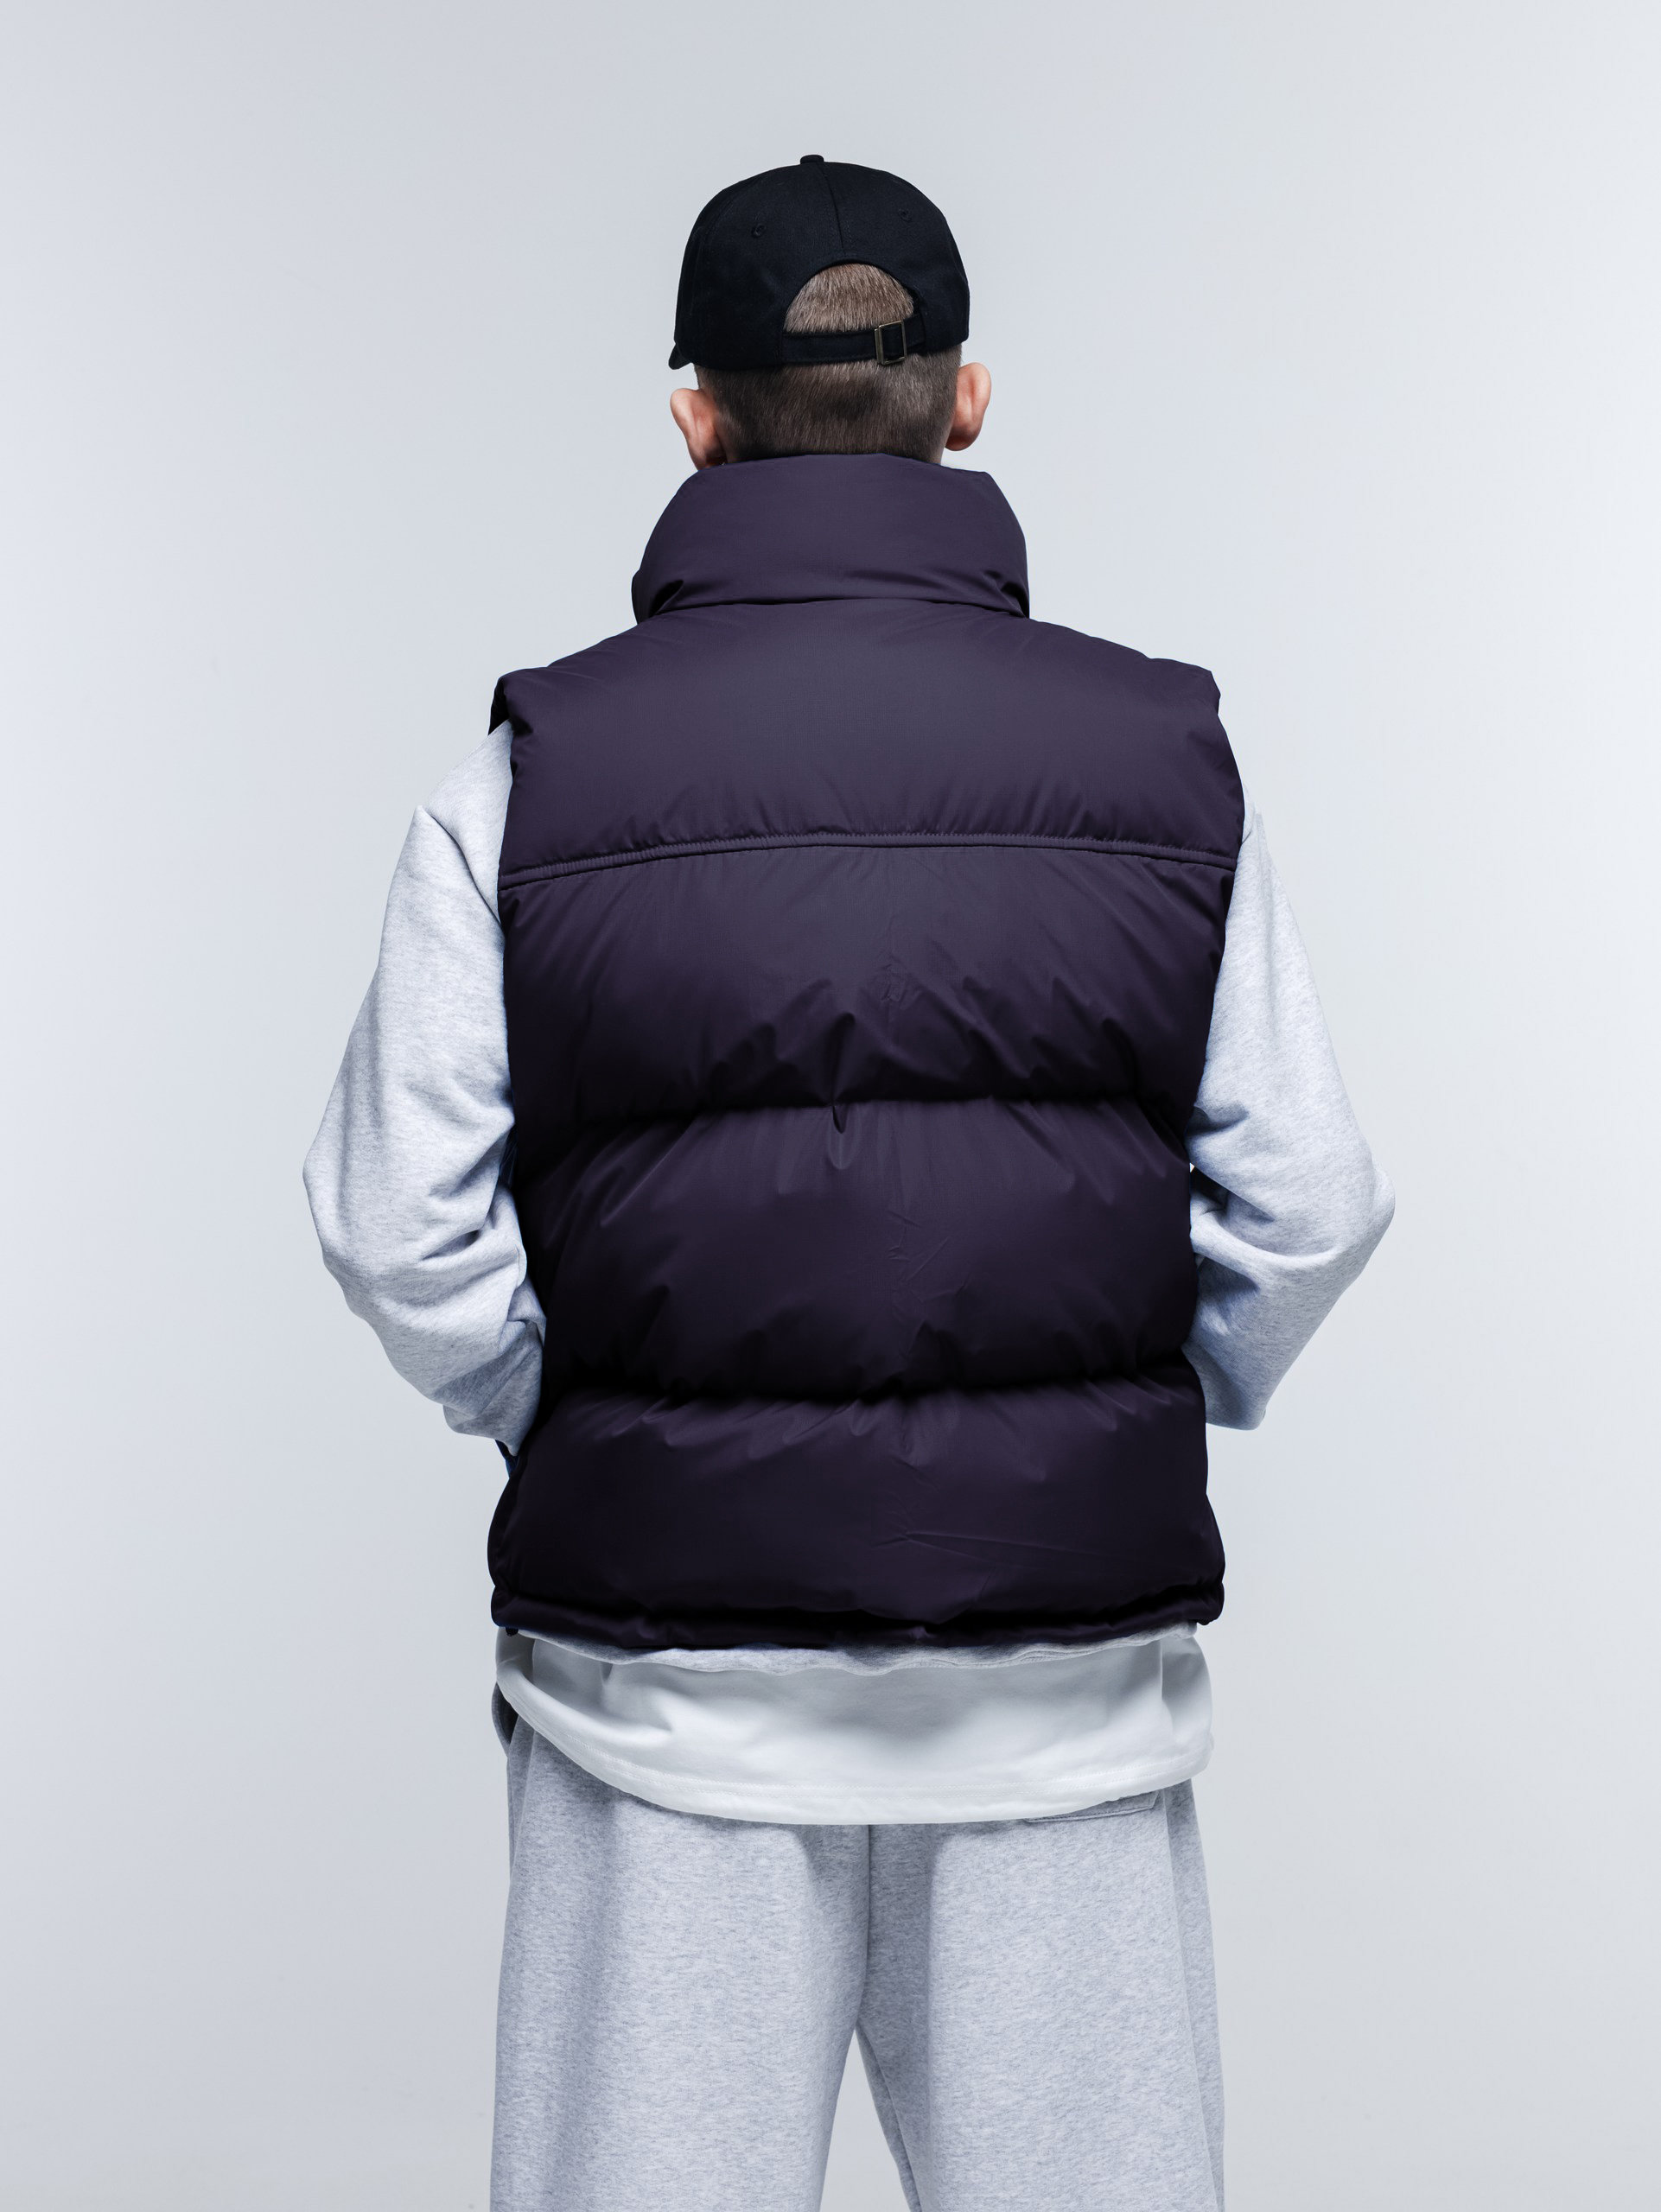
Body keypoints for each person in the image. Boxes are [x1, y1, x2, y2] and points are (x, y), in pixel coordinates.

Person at [305, 156, 1393, 2212]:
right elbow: (1310, 1198)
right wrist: (1106, 1407)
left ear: (693, 419)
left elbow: (394, 1223)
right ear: (966, 399)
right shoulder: (1163, 759)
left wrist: (578, 1410)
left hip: (664, 1716)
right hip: (1059, 1711)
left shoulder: (530, 775)